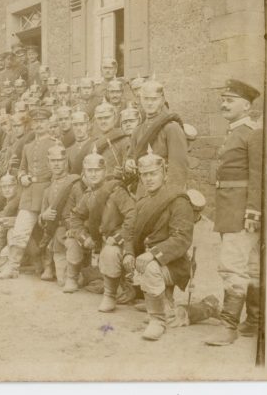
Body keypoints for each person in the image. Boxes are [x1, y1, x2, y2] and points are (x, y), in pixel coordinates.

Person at [205, 79, 264, 346]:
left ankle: (228, 327)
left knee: (233, 267)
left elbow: (258, 176)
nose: (223, 103)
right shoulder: (235, 132)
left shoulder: (252, 133)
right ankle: (253, 321)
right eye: (223, 99)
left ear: (247, 105)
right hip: (232, 208)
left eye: (230, 100)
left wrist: (253, 211)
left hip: (241, 211)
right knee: (251, 268)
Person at [126, 147, 195, 341]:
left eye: (153, 174)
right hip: (149, 260)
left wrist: (153, 254)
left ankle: (157, 321)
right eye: (144, 175)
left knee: (149, 268)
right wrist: (128, 253)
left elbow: (181, 239)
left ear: (164, 174)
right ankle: (165, 306)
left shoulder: (178, 200)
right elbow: (130, 232)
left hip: (175, 263)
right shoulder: (142, 202)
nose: (148, 179)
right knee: (135, 264)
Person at [68, 148, 135, 310]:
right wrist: (85, 238)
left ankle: (110, 295)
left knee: (110, 252)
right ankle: (77, 278)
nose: (93, 174)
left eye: (97, 170)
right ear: (84, 172)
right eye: (89, 171)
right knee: (73, 240)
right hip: (100, 241)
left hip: (121, 241)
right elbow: (75, 217)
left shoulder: (116, 190)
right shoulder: (88, 195)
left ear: (105, 171)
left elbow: (133, 215)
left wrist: (118, 237)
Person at [0, 108, 58, 279]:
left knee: (48, 232)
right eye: (36, 122)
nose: (39, 125)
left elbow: (59, 172)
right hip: (29, 194)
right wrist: (22, 177)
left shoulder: (55, 144)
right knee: (20, 230)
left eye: (42, 121)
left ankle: (48, 267)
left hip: (47, 193)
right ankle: (13, 267)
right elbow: (21, 168)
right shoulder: (28, 146)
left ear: (49, 123)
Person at [125, 78, 189, 193]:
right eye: (146, 99)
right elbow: (131, 156)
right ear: (140, 100)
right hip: (142, 192)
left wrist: (171, 195)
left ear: (162, 100)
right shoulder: (137, 130)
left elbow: (178, 168)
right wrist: (128, 163)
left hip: (164, 190)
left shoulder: (171, 128)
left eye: (154, 99)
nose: (149, 103)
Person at [35, 144, 84, 287]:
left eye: (60, 160)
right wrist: (44, 216)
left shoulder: (75, 183)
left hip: (72, 232)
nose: (56, 164)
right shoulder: (47, 190)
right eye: (53, 161)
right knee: (61, 281)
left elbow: (84, 210)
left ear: (65, 161)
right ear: (48, 163)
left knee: (75, 279)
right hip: (56, 236)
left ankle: (81, 274)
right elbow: (40, 218)